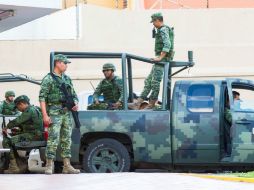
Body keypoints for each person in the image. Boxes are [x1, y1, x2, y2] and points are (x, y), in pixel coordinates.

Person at [39, 54, 80, 175]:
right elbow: (42, 98)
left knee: (66, 139)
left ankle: (67, 165)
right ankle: (49, 165)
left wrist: (76, 103)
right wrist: (45, 115)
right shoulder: (48, 79)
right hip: (54, 113)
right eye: (65, 63)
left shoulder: (67, 79)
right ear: (57, 63)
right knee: (53, 139)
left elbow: (74, 95)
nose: (66, 65)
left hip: (66, 113)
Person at [129, 12, 174, 110]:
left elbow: (167, 44)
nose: (153, 24)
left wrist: (160, 57)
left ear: (157, 20)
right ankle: (138, 103)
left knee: (154, 82)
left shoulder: (163, 29)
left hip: (163, 60)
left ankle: (151, 104)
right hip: (160, 59)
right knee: (149, 81)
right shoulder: (161, 29)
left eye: (153, 22)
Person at [2, 95, 43, 174]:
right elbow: (28, 125)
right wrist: (16, 132)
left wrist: (6, 127)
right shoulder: (33, 109)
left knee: (7, 141)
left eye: (17, 107)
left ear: (21, 104)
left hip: (34, 135)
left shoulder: (29, 110)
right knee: (12, 137)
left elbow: (18, 121)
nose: (18, 110)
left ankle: (14, 167)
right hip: (33, 134)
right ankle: (18, 163)